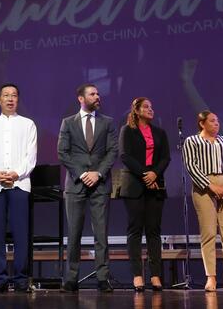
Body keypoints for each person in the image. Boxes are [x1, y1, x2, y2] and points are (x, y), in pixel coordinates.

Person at [57, 83, 118, 292]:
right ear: (81, 98)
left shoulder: (108, 122)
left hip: (100, 184)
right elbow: (62, 152)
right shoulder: (68, 123)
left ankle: (103, 278)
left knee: (101, 234)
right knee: (74, 233)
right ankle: (71, 278)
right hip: (76, 184)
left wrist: (97, 173)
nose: (97, 96)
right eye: (92, 94)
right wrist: (83, 174)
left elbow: (112, 151)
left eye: (98, 93)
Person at [0, 83, 37, 293]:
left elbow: (31, 157)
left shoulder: (28, 124)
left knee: (21, 233)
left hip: (20, 184)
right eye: (6, 95)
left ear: (18, 99)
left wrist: (16, 173)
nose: (10, 99)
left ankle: (21, 279)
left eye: (14, 95)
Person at [183, 111, 223, 292]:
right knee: (208, 233)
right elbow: (191, 166)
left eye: (217, 120)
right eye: (212, 121)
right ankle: (211, 277)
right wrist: (211, 186)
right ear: (202, 123)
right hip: (204, 187)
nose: (216, 123)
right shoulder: (192, 141)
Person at [118, 97, 170, 292]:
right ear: (137, 111)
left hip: (155, 185)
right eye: (146, 107)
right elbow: (125, 156)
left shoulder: (160, 132)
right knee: (135, 230)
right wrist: (144, 174)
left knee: (153, 230)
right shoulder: (127, 130)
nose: (151, 109)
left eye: (151, 106)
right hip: (134, 185)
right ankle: (137, 275)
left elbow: (165, 157)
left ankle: (155, 275)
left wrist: (154, 173)